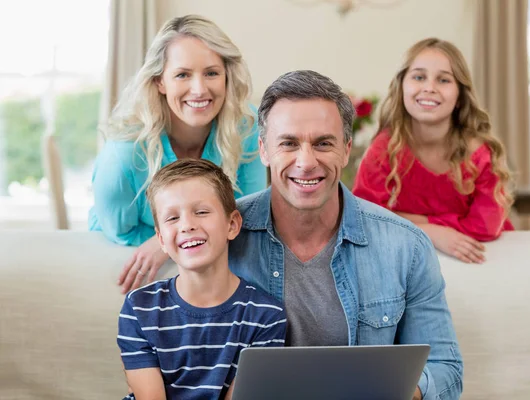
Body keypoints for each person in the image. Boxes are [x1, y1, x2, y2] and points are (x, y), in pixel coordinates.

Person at [228, 70, 463, 400]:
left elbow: (446, 369)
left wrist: (400, 392)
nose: (306, 162)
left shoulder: (405, 246)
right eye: (289, 143)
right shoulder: (224, 237)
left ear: (347, 149)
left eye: (323, 143)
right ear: (264, 150)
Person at [89, 15, 266, 293]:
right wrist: (168, 241)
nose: (199, 89)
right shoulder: (122, 155)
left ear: (227, 76)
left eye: (211, 73)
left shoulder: (247, 128)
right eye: (182, 74)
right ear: (160, 81)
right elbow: (119, 233)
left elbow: (250, 212)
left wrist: (173, 243)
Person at [117, 159, 286, 400]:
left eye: (202, 212)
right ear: (161, 239)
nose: (187, 225)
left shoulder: (266, 316)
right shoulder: (139, 307)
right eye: (172, 218)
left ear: (232, 224)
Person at [353, 38, 514, 265]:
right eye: (419, 77)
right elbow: (365, 218)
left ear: (459, 96)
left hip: (485, 260)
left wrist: (412, 220)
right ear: (401, 87)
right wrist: (430, 232)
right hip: (415, 262)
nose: (429, 87)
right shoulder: (384, 149)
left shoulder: (477, 153)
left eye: (444, 80)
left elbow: (485, 226)